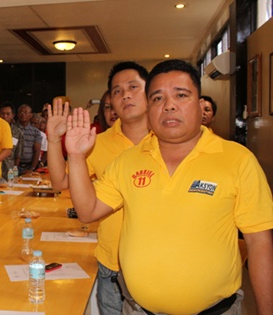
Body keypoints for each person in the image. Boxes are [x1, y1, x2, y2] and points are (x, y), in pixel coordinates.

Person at [67, 59, 273, 314]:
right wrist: (76, 157)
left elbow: (259, 243)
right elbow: (87, 211)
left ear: (200, 106)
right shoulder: (128, 161)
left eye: (181, 95)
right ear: (149, 108)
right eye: (157, 99)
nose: (169, 105)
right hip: (137, 309)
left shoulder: (237, 160)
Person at [47, 61, 150, 315]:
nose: (125, 94)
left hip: (154, 264)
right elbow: (60, 182)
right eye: (116, 91)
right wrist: (53, 139)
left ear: (151, 93)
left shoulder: (168, 142)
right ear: (111, 103)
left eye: (133, 87)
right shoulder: (96, 143)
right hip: (111, 265)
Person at [0, 102, 24, 179]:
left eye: (8, 114)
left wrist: (14, 169)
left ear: (13, 115)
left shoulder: (17, 132)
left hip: (8, 169)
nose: (5, 116)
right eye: (2, 114)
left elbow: (18, 154)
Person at [14, 104, 42, 175]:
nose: (23, 114)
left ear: (31, 115)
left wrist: (32, 168)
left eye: (26, 112)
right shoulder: (12, 129)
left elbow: (37, 151)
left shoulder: (36, 131)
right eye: (21, 112)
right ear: (17, 114)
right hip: (12, 166)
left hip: (28, 166)